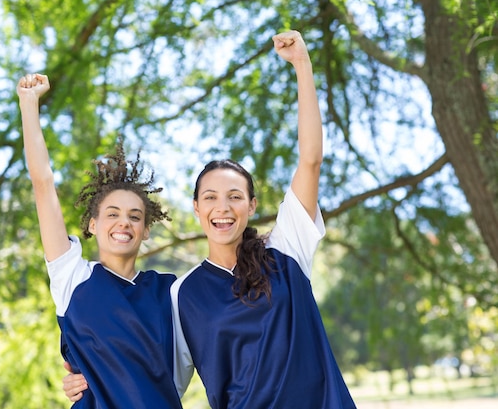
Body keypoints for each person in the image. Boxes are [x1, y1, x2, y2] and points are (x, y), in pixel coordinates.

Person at [63, 30, 356, 408]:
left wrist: (302, 65)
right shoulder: (181, 295)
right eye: (211, 198)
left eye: (235, 197)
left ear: (251, 206)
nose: (223, 207)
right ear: (197, 208)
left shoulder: (286, 251)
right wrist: (85, 380)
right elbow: (147, 373)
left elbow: (311, 160)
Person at [17, 73, 182, 408]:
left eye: (135, 216)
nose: (124, 222)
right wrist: (29, 103)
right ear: (92, 224)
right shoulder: (72, 278)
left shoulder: (171, 292)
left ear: (146, 229)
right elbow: (43, 184)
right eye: (112, 214)